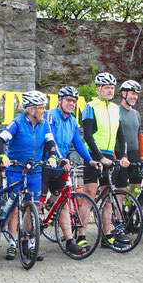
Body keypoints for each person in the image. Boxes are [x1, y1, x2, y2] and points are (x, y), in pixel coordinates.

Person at [0, 90, 57, 260]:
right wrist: (3, 156)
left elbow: (50, 142)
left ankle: (27, 240)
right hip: (16, 170)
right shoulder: (17, 123)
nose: (44, 111)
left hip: (35, 170)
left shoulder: (44, 124)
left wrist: (52, 156)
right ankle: (12, 243)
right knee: (15, 208)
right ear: (31, 110)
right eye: (41, 108)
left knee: (34, 207)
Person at [41, 86, 99, 255]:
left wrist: (90, 160)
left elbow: (79, 143)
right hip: (46, 165)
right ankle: (28, 240)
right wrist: (59, 158)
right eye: (68, 100)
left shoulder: (73, 121)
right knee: (37, 204)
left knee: (65, 203)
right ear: (60, 100)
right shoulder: (49, 116)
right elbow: (49, 140)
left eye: (74, 101)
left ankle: (69, 242)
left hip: (61, 166)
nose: (71, 104)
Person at [81, 73, 130, 249]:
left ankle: (107, 235)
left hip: (110, 155)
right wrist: (99, 157)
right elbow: (87, 135)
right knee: (89, 195)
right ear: (98, 89)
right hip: (94, 155)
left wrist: (123, 156)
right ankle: (81, 235)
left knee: (110, 197)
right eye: (106, 87)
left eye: (112, 88)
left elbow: (121, 135)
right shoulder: (90, 106)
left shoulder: (116, 109)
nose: (110, 90)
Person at [115, 80, 143, 194]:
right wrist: (114, 156)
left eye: (137, 94)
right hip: (120, 153)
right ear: (124, 93)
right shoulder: (116, 111)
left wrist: (142, 157)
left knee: (136, 189)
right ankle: (119, 212)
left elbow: (139, 137)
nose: (135, 97)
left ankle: (131, 211)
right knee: (121, 190)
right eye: (132, 93)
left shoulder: (136, 114)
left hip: (134, 153)